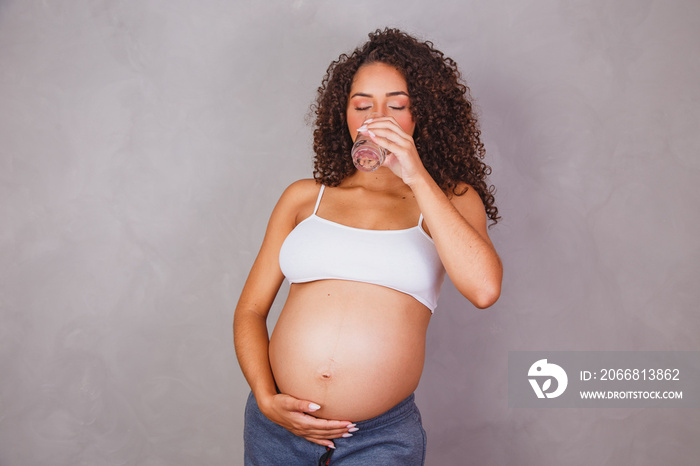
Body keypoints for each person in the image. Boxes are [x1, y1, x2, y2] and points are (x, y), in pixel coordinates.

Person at [233, 28, 502, 465]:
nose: (378, 118)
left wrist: (415, 174)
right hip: (277, 428)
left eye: (397, 105)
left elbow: (484, 289)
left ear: (423, 114)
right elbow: (249, 311)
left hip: (378, 439)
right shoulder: (305, 197)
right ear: (344, 114)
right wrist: (266, 398)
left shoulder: (449, 199)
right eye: (362, 105)